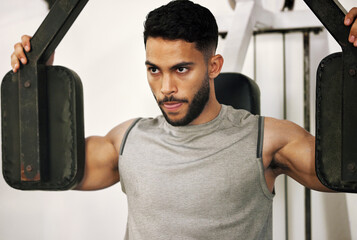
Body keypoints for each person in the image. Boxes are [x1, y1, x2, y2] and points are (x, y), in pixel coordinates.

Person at [10, 1, 357, 239]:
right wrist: (38, 83)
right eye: (154, 70)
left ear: (214, 66)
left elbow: (346, 171)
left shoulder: (265, 141)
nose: (166, 89)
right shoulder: (128, 140)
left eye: (181, 69)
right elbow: (48, 170)